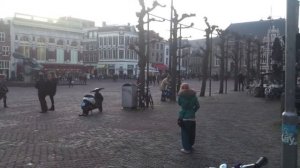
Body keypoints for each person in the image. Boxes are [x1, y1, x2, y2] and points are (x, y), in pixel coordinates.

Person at [177, 83, 200, 154]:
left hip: (184, 117)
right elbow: (198, 106)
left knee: (185, 133)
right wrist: (193, 111)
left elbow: (180, 104)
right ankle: (190, 145)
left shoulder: (181, 96)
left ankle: (186, 149)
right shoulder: (194, 96)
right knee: (192, 133)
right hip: (192, 117)